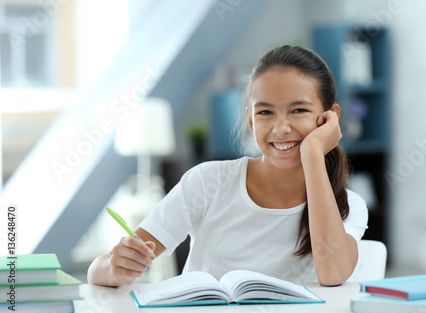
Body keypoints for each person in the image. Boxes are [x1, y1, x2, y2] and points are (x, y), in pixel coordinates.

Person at [87, 45, 368, 287]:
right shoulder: (209, 182)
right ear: (250, 121)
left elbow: (332, 274)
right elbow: (99, 269)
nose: (281, 128)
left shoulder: (347, 206)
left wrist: (314, 151)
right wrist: (115, 267)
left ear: (330, 118)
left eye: (299, 110)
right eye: (265, 112)